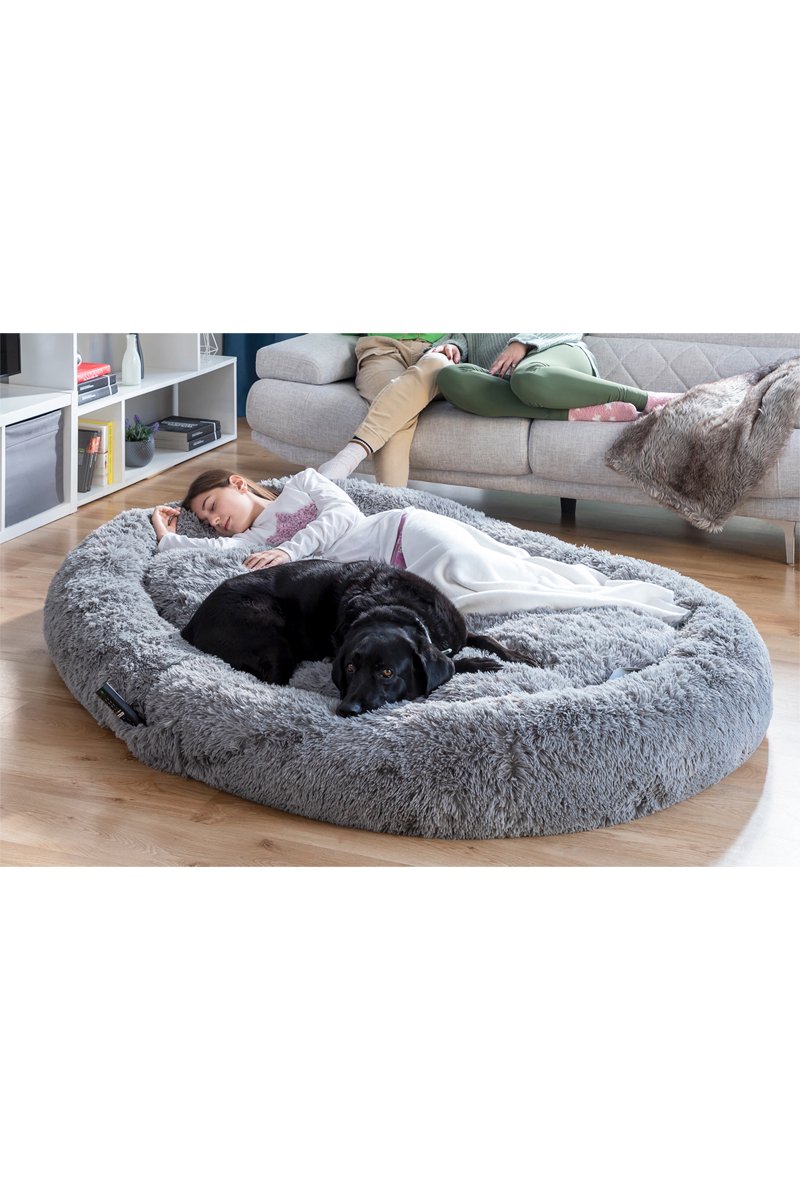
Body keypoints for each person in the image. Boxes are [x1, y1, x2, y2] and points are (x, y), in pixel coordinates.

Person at [151, 467, 689, 625]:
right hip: (391, 576)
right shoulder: (253, 542)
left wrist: (291, 553)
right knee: (469, 600)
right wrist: (164, 533)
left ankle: (612, 598)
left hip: (403, 533)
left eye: (213, 505)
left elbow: (345, 516)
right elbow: (206, 556)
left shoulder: (304, 484)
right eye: (207, 521)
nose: (215, 522)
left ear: (238, 483)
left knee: (493, 573)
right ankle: (594, 602)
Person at [318, 333, 680, 487]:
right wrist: (451, 346)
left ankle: (645, 399)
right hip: (503, 379)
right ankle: (575, 413)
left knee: (529, 378)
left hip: (552, 359)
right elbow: (460, 337)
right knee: (453, 377)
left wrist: (522, 343)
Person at [318, 333, 448, 487]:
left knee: (437, 363)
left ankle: (346, 459)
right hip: (384, 350)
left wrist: (456, 345)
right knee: (394, 406)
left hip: (438, 354)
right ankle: (393, 501)